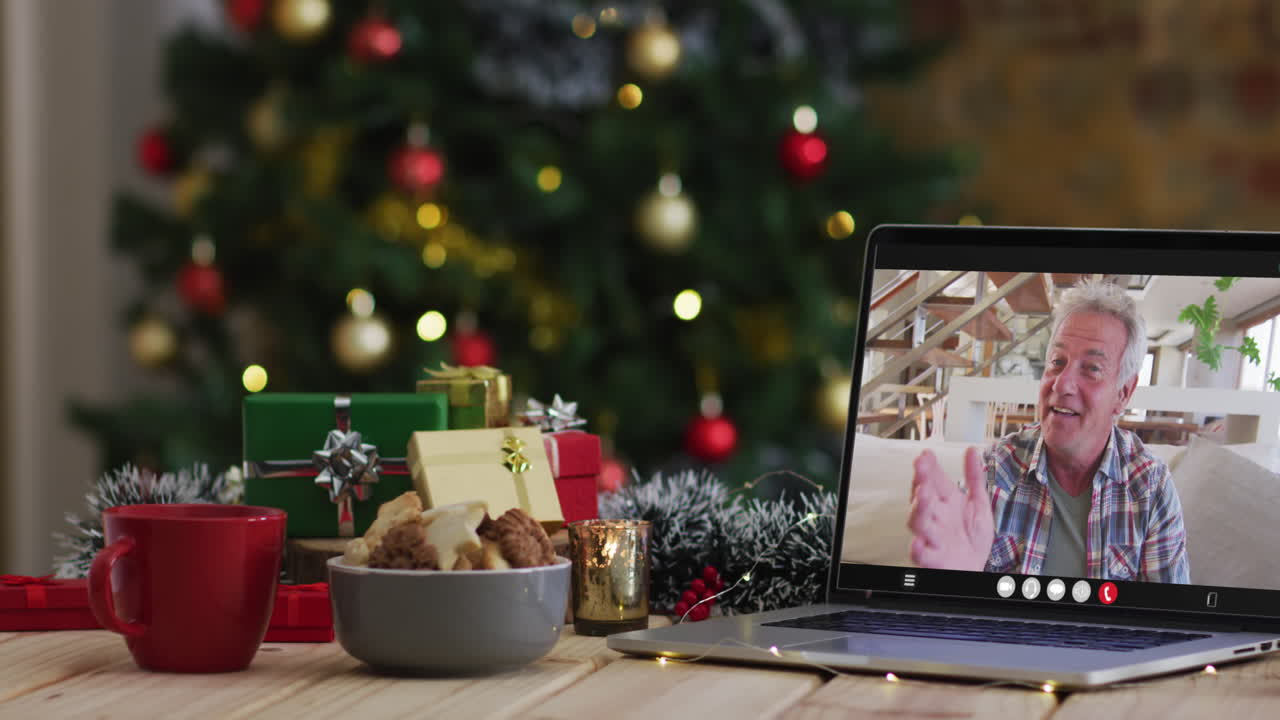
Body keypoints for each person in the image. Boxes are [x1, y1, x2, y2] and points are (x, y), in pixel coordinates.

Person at [907, 278, 1190, 583]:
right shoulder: (993, 471)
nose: (1062, 383)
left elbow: (1165, 620)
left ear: (1123, 393)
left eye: (1092, 369)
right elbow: (953, 601)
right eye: (1057, 362)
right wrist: (954, 579)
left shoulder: (1150, 487)